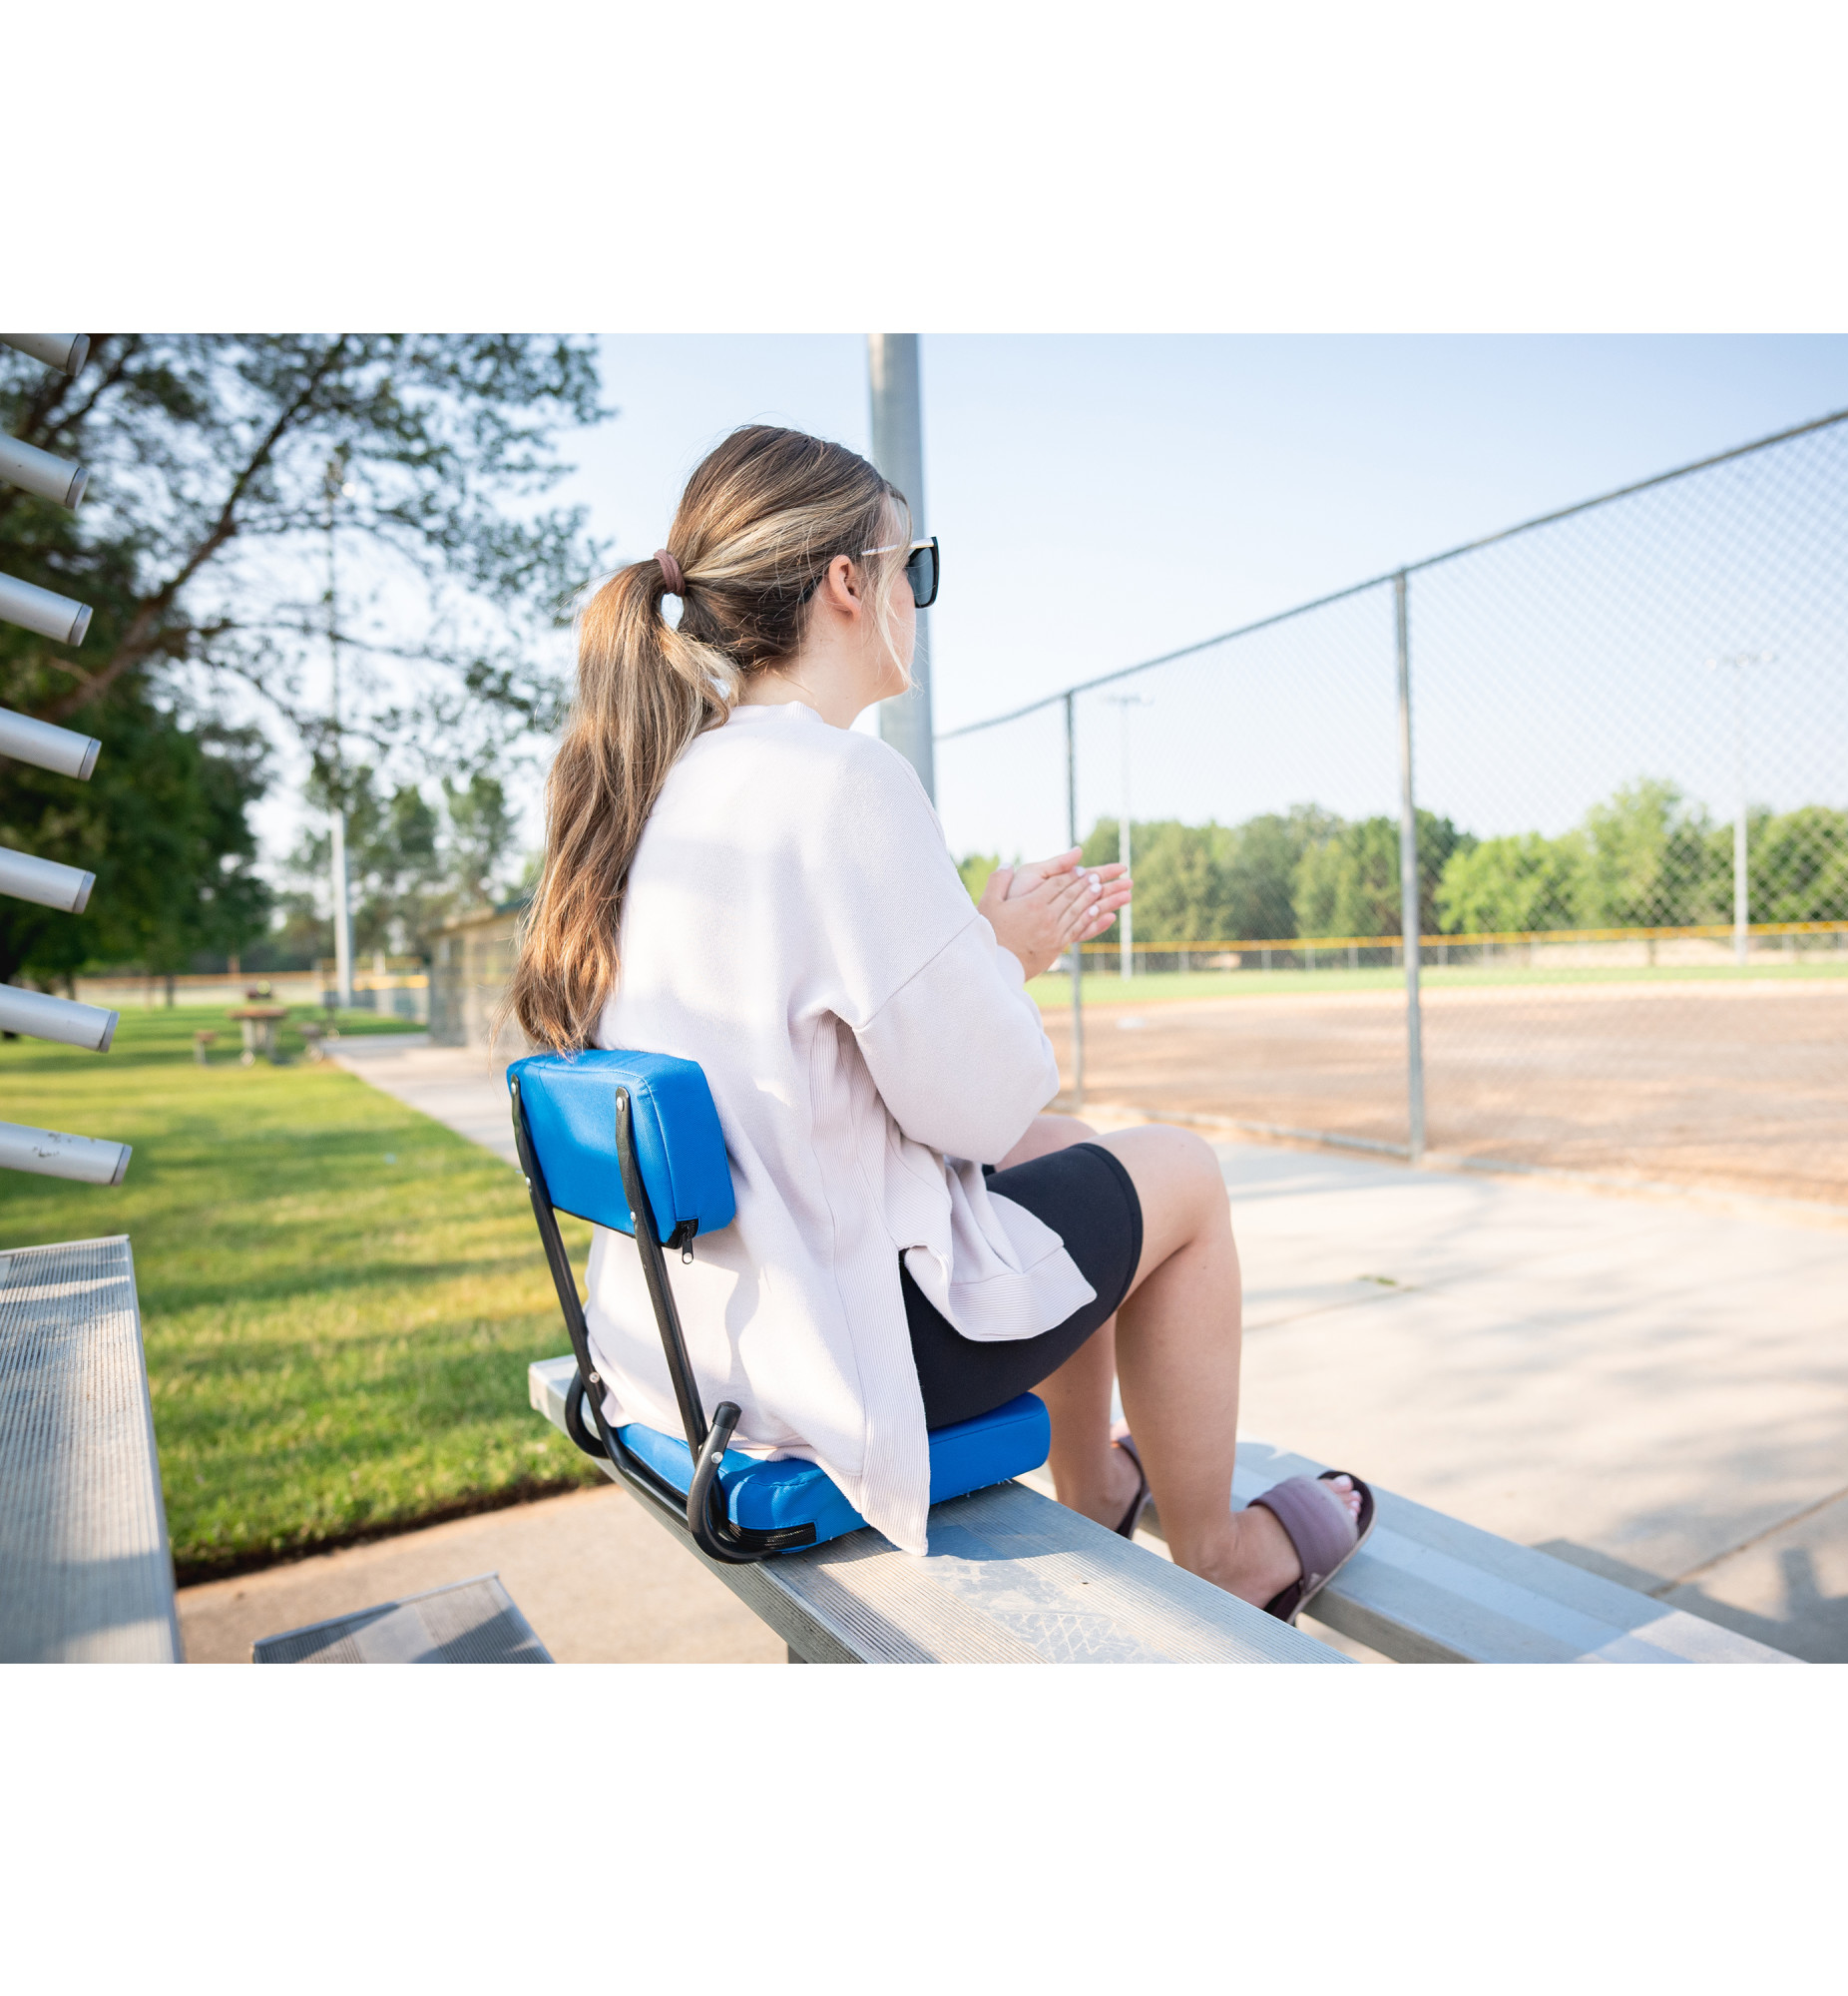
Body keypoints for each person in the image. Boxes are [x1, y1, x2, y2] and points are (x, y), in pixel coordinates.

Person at [505, 425, 1369, 1620]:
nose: (919, 593)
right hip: (831, 1365)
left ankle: (1093, 1480)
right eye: (912, 562)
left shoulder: (672, 786)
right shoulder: (845, 780)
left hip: (695, 1344)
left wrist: (969, 945)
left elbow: (843, 1054)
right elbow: (977, 1098)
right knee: (1184, 1175)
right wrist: (1004, 956)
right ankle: (1219, 1552)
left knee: (1067, 1149)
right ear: (846, 583)